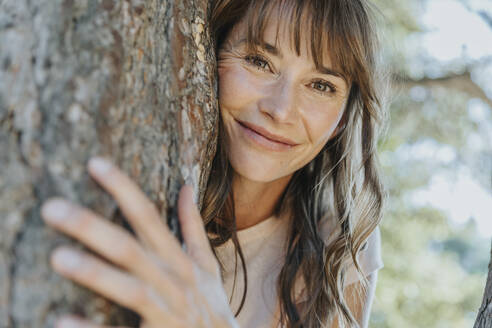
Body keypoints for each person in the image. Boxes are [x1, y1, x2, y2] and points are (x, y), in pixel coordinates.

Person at [40, 0, 388, 327]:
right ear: (206, 55)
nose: (280, 110)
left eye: (320, 85)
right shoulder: (144, 176)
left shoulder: (342, 243)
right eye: (259, 61)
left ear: (341, 119)